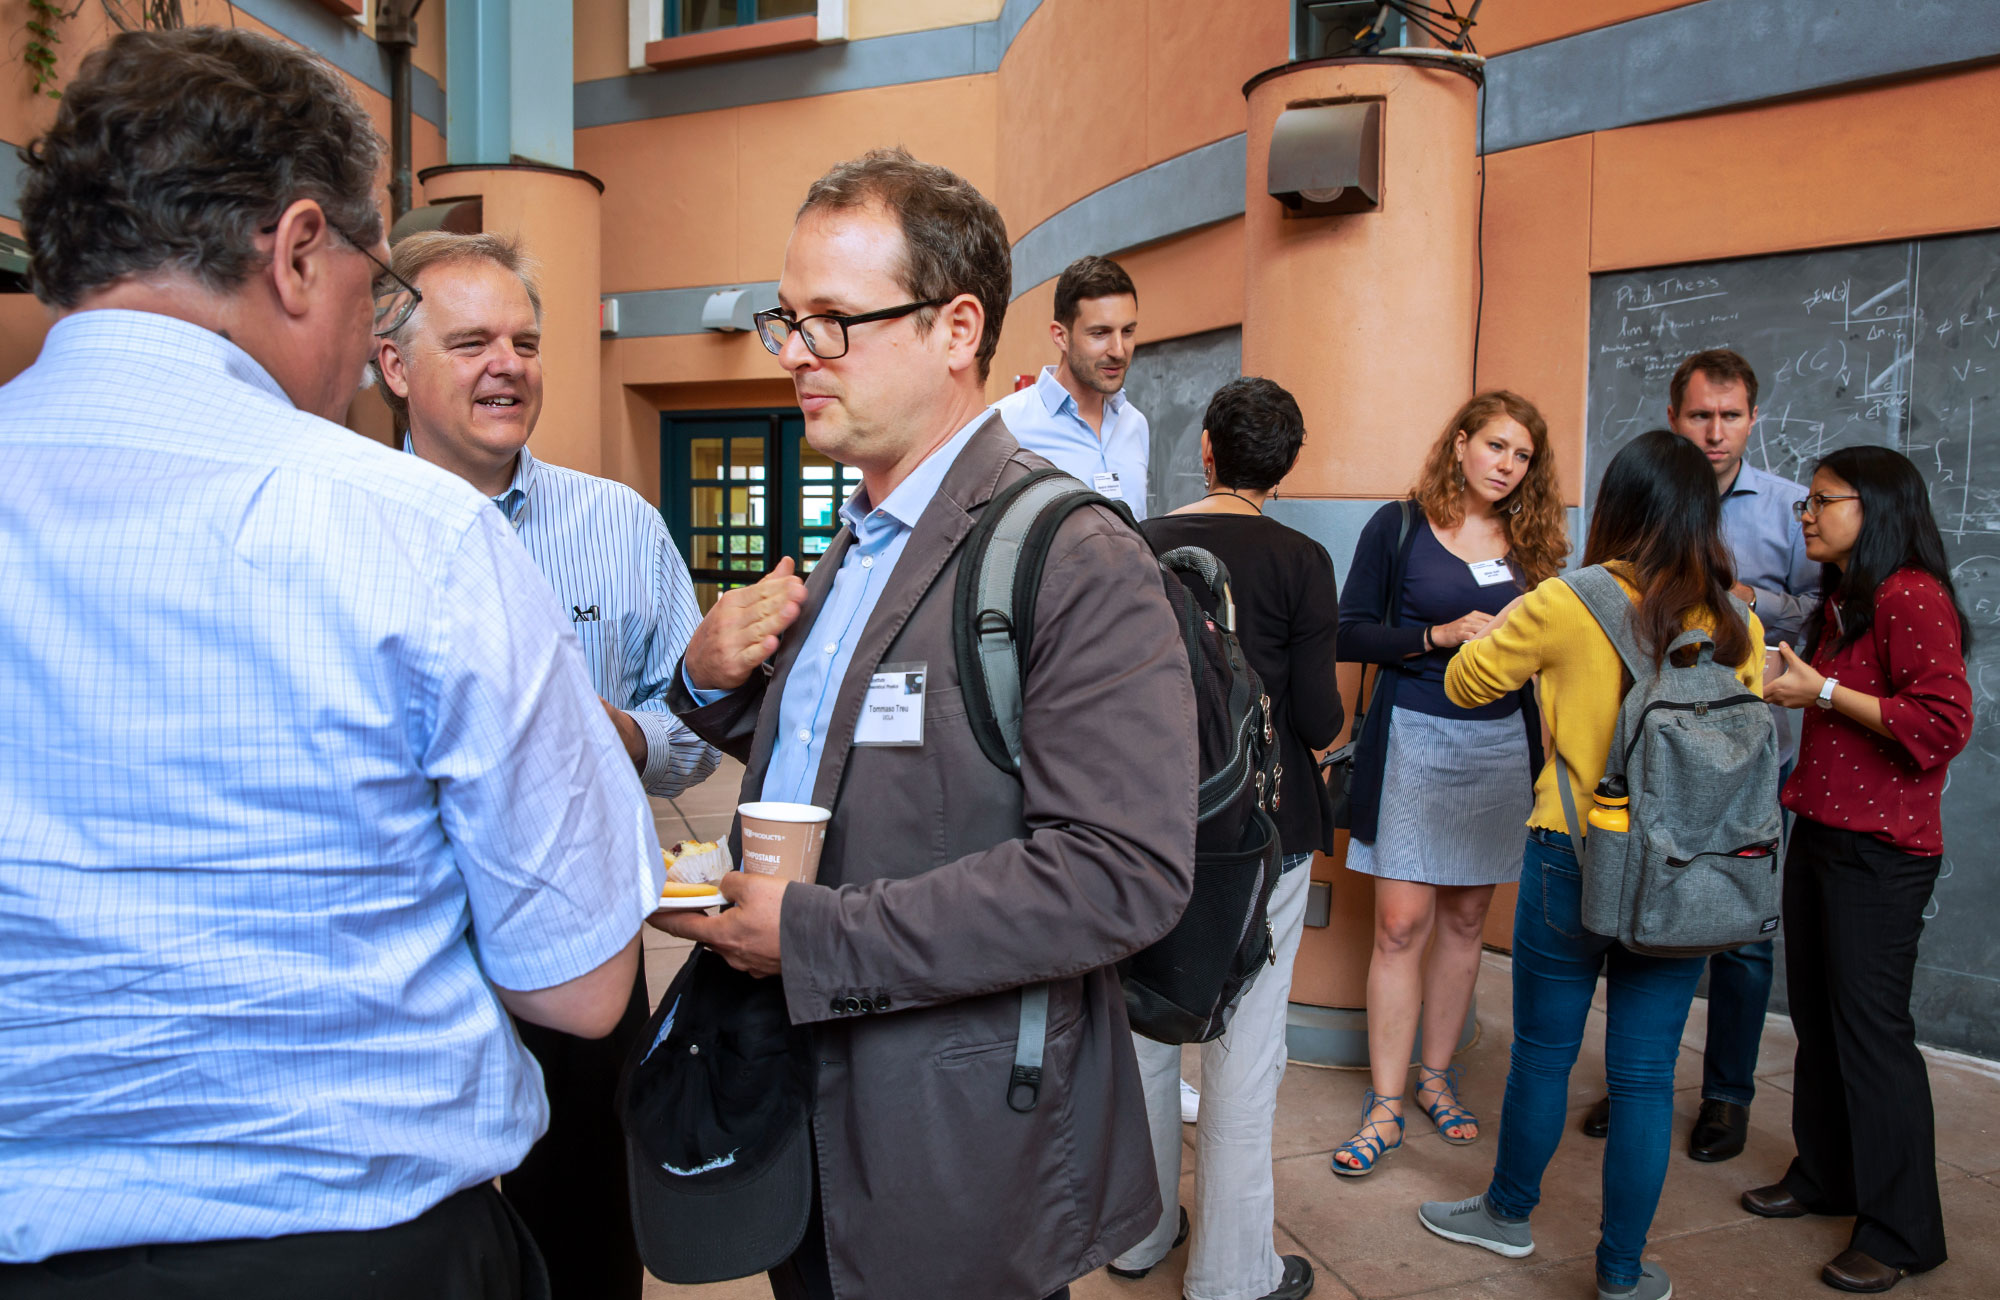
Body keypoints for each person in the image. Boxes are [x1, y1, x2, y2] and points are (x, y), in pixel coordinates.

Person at [0, 27, 661, 1298]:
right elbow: (582, 987)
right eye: (378, 284)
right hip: (359, 1255)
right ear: (300, 250)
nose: (372, 331)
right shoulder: (418, 535)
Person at [651, 149, 1198, 1300]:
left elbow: (1121, 873)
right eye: (786, 321)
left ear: (957, 329)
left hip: (953, 1143)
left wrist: (811, 936)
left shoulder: (1074, 557)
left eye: (833, 323)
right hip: (807, 1107)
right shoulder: (858, 537)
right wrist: (705, 681)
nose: (795, 356)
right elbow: (857, 761)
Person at [373, 231, 720, 1300]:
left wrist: (624, 737)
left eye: (524, 340)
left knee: (585, 1247)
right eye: (470, 340)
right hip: (404, 974)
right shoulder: (340, 528)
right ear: (393, 365)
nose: (506, 364)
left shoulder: (619, 526)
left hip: (584, 975)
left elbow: (693, 724)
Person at [1417, 429, 1766, 1300]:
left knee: (1542, 1052)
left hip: (1571, 855)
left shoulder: (1568, 601)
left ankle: (1508, 1216)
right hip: (1684, 872)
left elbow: (1466, 684)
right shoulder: (1737, 622)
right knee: (1646, 1079)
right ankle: (1619, 1273)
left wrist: (1513, 640)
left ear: (1618, 505)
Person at [1110, 378, 1340, 1300]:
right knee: (1247, 1052)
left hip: (1151, 827)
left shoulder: (1136, 544)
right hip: (1266, 833)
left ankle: (1138, 1233)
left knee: (1147, 1028)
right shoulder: (1302, 559)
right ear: (1283, 467)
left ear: (1205, 449)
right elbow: (1318, 720)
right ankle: (1233, 1275)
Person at [1582, 347, 1820, 1161]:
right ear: (1673, 418)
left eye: (1730, 416)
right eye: (1699, 416)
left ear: (1754, 418)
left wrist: (1750, 601)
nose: (1715, 432)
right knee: (1635, 918)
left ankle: (1726, 1097)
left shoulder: (1795, 511)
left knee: (1743, 939)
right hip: (1645, 759)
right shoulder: (1645, 503)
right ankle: (1635, 1081)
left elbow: (1823, 619)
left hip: (1747, 767)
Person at [1743, 446, 1972, 1295]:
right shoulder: (1848, 598)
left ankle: (1903, 1230)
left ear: (1872, 508)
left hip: (1882, 852)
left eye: (1822, 501)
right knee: (1819, 1020)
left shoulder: (1912, 594)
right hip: (1824, 832)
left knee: (1873, 1036)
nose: (1805, 514)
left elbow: (1944, 721)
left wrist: (1825, 697)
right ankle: (1826, 1176)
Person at [1330, 391, 1570, 1176]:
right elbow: (1349, 630)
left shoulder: (1533, 542)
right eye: (1496, 446)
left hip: (1501, 746)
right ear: (1461, 443)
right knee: (1400, 926)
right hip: (1413, 738)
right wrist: (1437, 634)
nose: (1507, 465)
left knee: (1467, 924)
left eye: (1522, 455)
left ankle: (1436, 1078)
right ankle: (1387, 1103)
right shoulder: (1397, 526)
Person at [990, 254, 1150, 518]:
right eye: (1100, 333)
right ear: (1060, 336)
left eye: (1128, 332)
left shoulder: (1136, 424)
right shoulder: (1006, 424)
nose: (1119, 350)